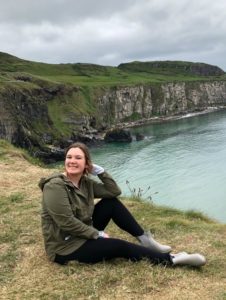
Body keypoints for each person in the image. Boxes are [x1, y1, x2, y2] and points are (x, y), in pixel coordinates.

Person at [39, 142, 206, 267]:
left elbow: (113, 192)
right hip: (65, 247)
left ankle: (146, 240)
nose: (72, 161)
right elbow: (66, 223)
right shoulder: (55, 186)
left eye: (78, 158)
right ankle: (172, 260)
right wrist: (97, 234)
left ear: (86, 164)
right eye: (69, 157)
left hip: (82, 231)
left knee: (111, 203)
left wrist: (101, 171)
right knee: (119, 246)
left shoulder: (85, 183)